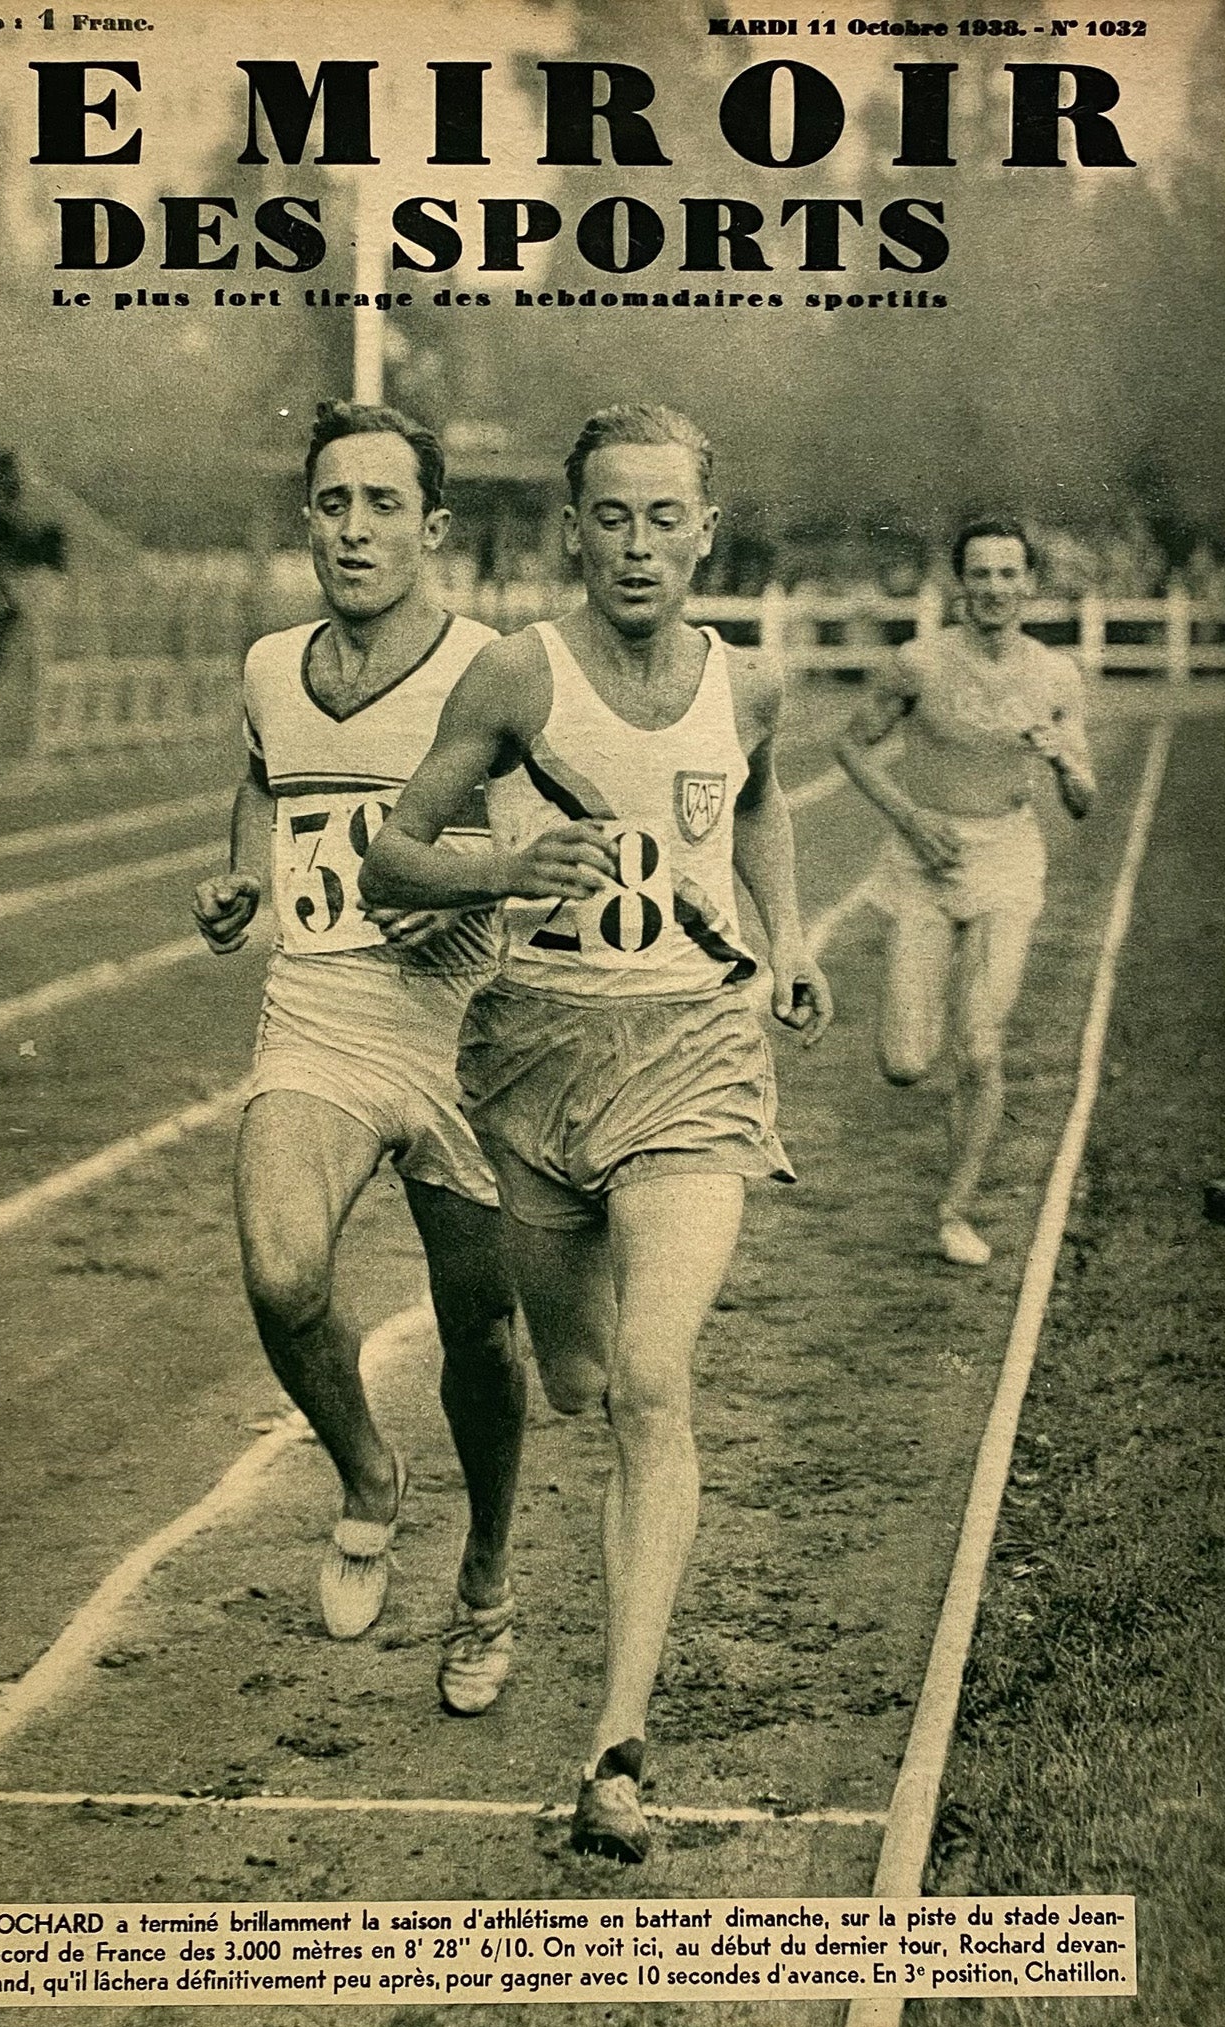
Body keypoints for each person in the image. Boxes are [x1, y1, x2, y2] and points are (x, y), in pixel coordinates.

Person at [361, 403, 833, 1862]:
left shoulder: (745, 686)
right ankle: (573, 1401)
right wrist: (510, 866)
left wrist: (790, 939)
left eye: (663, 519)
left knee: (649, 1382)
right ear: (575, 530)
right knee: (573, 1374)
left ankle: (616, 1755)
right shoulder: (520, 673)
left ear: (709, 530)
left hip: (696, 1055)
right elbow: (390, 844)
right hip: (536, 1063)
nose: (637, 546)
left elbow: (752, 811)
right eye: (610, 518)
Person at [193, 401, 525, 1717]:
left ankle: (487, 1580)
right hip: (321, 1011)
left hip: (465, 1035)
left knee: (482, 1335)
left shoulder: (495, 671)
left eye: (385, 504)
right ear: (309, 520)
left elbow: (546, 862)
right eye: (334, 503)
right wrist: (238, 875)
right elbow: (268, 787)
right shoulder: (274, 664)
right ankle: (369, 1474)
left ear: (432, 527)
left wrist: (439, 883)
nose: (356, 528)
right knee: (281, 1277)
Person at [835, 518, 1096, 1267]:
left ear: (1029, 585)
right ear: (959, 583)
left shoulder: (1054, 677)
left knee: (980, 1045)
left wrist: (1062, 765)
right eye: (979, 574)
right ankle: (924, 1045)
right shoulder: (917, 664)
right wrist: (911, 818)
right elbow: (851, 744)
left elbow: (1085, 797)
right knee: (907, 1062)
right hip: (921, 862)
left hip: (1006, 860)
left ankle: (955, 1211)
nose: (993, 589)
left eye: (1008, 574)